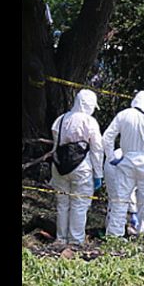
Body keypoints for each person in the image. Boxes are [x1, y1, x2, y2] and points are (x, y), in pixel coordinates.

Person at [102, 91, 144, 241]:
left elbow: (107, 137)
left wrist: (111, 157)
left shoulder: (124, 114)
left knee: (120, 202)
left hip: (127, 164)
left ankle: (114, 236)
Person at [49, 89, 103, 245]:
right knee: (79, 204)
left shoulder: (60, 119)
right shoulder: (89, 121)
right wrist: (98, 174)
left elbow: (55, 145)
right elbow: (97, 149)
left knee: (62, 203)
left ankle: (60, 239)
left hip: (59, 167)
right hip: (81, 167)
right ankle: (76, 241)